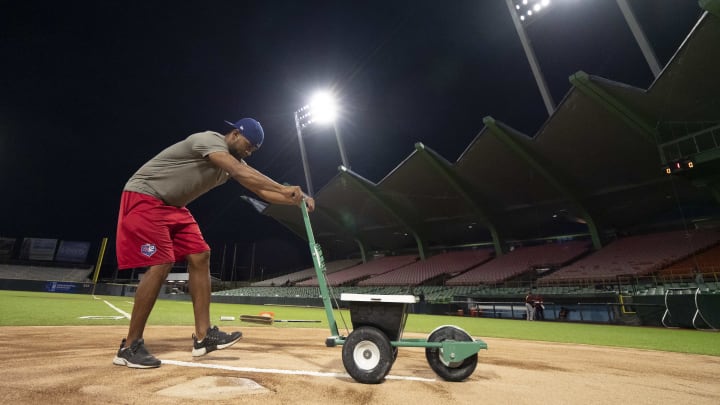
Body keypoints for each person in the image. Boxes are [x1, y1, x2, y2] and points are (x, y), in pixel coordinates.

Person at [112, 118, 314, 368]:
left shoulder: (233, 164)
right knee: (162, 262)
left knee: (201, 255)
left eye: (253, 150)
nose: (249, 152)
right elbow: (244, 172)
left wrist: (297, 199)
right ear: (235, 133)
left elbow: (261, 190)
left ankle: (204, 336)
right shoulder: (210, 140)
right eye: (248, 146)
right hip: (145, 197)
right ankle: (129, 346)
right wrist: (285, 190)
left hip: (173, 207)